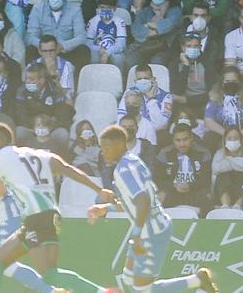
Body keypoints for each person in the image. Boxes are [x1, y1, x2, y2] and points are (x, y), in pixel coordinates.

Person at [0, 122, 117, 293]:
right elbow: (67, 169)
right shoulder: (35, 153)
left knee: (50, 276)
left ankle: (102, 291)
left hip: (38, 219)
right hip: (42, 218)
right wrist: (99, 189)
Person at [88, 125, 218, 292]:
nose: (102, 152)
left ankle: (197, 281)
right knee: (128, 278)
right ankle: (197, 280)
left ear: (120, 145)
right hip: (148, 229)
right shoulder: (132, 160)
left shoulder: (124, 169)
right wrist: (106, 208)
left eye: (106, 148)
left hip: (150, 233)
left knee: (142, 289)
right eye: (101, 148)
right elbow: (136, 203)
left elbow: (143, 201)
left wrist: (136, 235)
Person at [155, 124, 213, 213]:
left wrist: (190, 186)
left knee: (208, 197)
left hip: (196, 191)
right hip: (172, 191)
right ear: (173, 140)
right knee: (160, 196)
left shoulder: (203, 152)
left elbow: (206, 179)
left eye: (185, 139)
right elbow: (158, 179)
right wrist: (174, 186)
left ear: (191, 138)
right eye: (178, 140)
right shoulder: (164, 153)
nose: (182, 144)